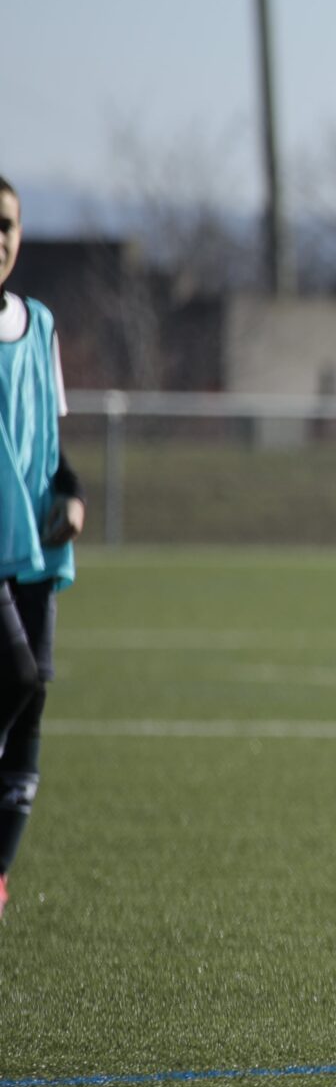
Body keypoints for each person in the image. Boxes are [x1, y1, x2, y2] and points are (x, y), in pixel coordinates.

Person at [0, 178, 84, 923]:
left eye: (7, 224)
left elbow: (53, 450)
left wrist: (72, 497)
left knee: (35, 696)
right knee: (17, 678)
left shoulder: (41, 325)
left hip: (35, 548)